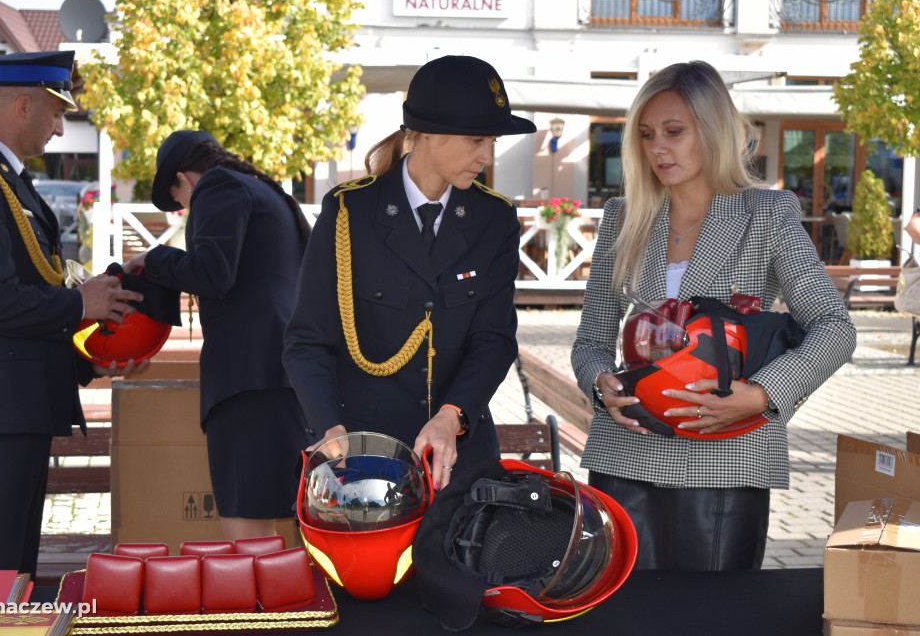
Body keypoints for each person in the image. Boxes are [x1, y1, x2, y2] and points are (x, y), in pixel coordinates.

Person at [571, 60, 856, 571]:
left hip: (727, 458)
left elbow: (834, 329)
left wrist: (762, 395)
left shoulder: (766, 214)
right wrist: (600, 385)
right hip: (625, 453)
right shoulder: (623, 217)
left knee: (715, 617)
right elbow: (591, 340)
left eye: (674, 132)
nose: (658, 148)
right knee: (624, 617)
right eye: (647, 135)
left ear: (714, 129)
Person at [0, 50, 146, 577]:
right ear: (23, 105)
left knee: (12, 571)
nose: (61, 129)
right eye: (56, 113)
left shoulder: (5, 179)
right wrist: (80, 303)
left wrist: (90, 358)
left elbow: (33, 288)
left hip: (12, 405)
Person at [283, 55, 535, 490]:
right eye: (477, 139)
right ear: (427, 134)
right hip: (362, 459)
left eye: (490, 141)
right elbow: (307, 341)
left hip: (457, 459)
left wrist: (451, 415)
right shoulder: (349, 212)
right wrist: (328, 428)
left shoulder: (495, 219)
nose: (487, 155)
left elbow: (493, 338)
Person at [124, 130, 311, 540]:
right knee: (294, 513)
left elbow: (212, 273)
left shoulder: (217, 186)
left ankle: (257, 607)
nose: (185, 208)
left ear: (184, 179)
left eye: (180, 200)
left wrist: (150, 259)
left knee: (247, 520)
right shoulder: (268, 192)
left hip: (248, 376)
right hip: (290, 374)